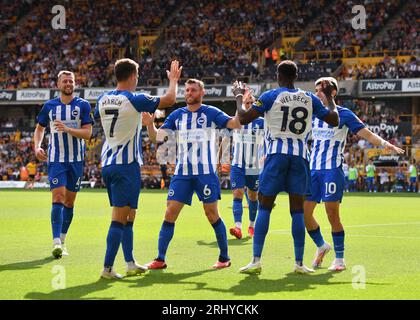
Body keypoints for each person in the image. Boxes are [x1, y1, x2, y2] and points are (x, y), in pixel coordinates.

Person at [232, 60, 340, 275]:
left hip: (276, 156)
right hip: (300, 157)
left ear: (278, 75)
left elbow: (243, 118)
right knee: (297, 211)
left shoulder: (271, 96)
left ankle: (256, 260)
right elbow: (334, 119)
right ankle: (299, 264)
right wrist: (330, 98)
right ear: (296, 76)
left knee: (265, 206)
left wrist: (237, 96)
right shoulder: (309, 98)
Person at [304, 77, 404, 271]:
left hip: (333, 170)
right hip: (313, 171)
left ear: (332, 93)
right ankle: (322, 246)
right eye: (315, 90)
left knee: (332, 214)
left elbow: (366, 134)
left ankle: (340, 259)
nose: (316, 94)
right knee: (304, 215)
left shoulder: (344, 114)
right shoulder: (313, 114)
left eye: (320, 90)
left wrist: (386, 144)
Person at [95, 59, 182, 279]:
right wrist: (173, 80)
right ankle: (107, 268)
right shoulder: (135, 99)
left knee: (129, 216)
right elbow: (170, 99)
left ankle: (130, 262)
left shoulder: (102, 99)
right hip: (126, 165)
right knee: (118, 218)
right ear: (133, 76)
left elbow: (95, 117)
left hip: (109, 162)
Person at [143, 78, 242, 270]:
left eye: (193, 90)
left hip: (205, 173)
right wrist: (149, 124)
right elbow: (157, 137)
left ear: (202, 93)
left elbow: (235, 123)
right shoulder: (177, 115)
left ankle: (224, 257)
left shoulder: (211, 113)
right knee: (170, 212)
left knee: (212, 214)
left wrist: (238, 98)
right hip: (182, 173)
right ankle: (160, 258)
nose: (189, 93)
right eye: (187, 90)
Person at [34, 70, 94, 259]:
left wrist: (67, 129)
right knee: (58, 197)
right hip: (56, 159)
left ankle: (63, 239)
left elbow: (88, 133)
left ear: (74, 84)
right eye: (65, 81)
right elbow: (39, 128)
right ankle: (56, 243)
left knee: (69, 202)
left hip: (76, 160)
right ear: (58, 84)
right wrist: (37, 147)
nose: (68, 83)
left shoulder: (83, 105)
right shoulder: (50, 106)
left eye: (71, 81)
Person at [228, 90, 264, 240]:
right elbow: (225, 137)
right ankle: (238, 227)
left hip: (254, 165)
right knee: (237, 193)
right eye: (246, 103)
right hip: (237, 164)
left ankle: (252, 224)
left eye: (251, 103)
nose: (248, 105)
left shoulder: (262, 122)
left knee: (253, 196)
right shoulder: (236, 121)